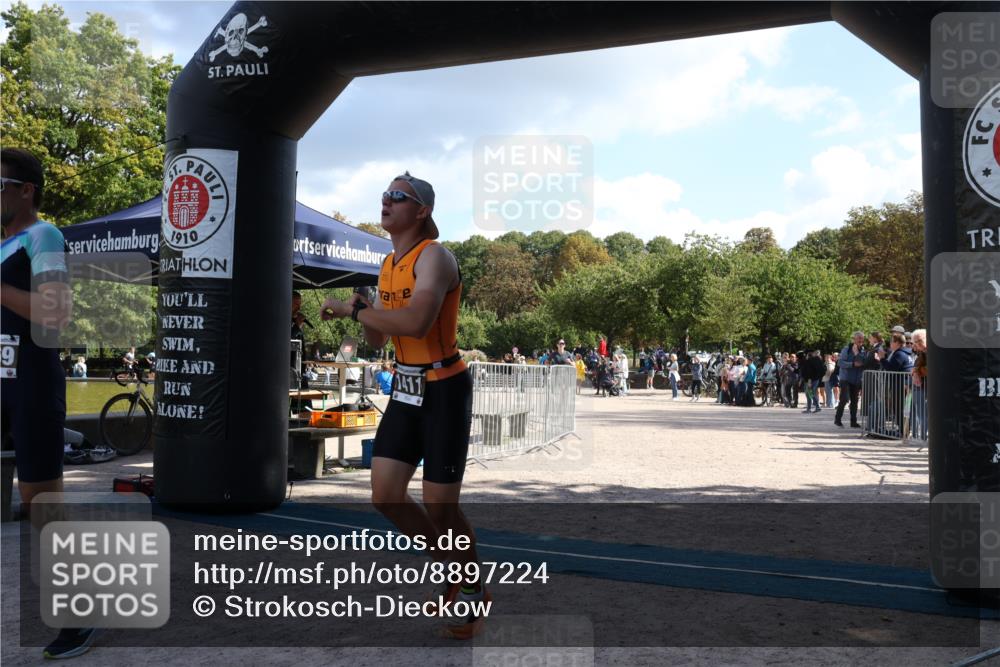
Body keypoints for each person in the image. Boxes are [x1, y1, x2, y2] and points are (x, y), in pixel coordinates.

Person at [319, 171, 487, 639]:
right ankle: (456, 570)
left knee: (441, 509)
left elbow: (415, 322)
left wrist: (352, 310)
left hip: (445, 390)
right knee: (385, 496)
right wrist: (363, 305)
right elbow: (379, 337)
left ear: (422, 211)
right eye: (384, 195)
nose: (386, 201)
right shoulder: (388, 262)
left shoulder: (436, 257)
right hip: (408, 390)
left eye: (398, 196)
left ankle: (470, 580)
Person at [1, 148, 97, 658]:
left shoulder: (44, 236)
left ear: (24, 190)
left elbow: (55, 315)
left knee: (43, 508)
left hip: (32, 382)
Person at [835, 331, 866, 428]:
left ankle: (853, 422)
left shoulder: (863, 351)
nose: (860, 340)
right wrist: (852, 364)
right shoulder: (846, 349)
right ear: (854, 339)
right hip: (846, 379)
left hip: (856, 380)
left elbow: (863, 363)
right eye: (859, 338)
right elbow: (840, 363)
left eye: (862, 339)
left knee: (855, 402)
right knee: (844, 399)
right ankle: (837, 419)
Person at [910, 329, 927, 440]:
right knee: (921, 413)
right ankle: (923, 437)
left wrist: (917, 372)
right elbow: (915, 367)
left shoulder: (935, 350)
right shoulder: (922, 353)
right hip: (923, 386)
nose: (917, 344)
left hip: (933, 387)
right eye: (915, 342)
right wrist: (915, 372)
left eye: (919, 340)